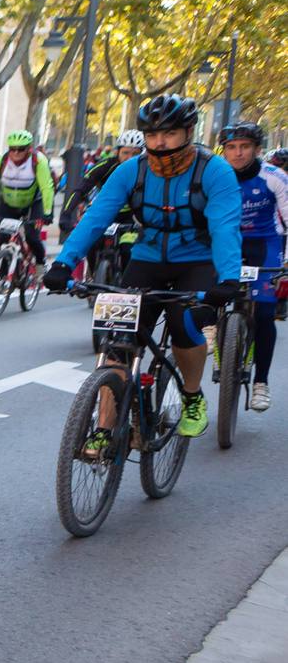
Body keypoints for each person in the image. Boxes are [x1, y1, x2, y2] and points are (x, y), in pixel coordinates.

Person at [45, 95, 244, 443]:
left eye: (168, 134)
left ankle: (192, 396)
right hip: (147, 258)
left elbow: (225, 227)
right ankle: (104, 431)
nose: (159, 143)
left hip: (196, 260)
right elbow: (95, 218)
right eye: (151, 136)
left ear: (188, 132)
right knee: (117, 343)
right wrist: (64, 263)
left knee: (185, 325)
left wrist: (228, 278)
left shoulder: (215, 171)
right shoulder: (130, 170)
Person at [217, 122, 288, 411]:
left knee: (265, 312)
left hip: (266, 244)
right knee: (207, 296)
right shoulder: (216, 176)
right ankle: (214, 332)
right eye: (231, 148)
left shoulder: (275, 177)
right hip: (228, 243)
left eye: (244, 147)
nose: (238, 153)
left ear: (257, 150)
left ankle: (261, 382)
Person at [0, 130, 54, 268]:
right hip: (8, 204)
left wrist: (48, 212)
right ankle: (1, 278)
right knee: (2, 239)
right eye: (12, 149)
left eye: (21, 149)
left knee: (32, 238)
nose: (16, 153)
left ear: (29, 149)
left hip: (33, 204)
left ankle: (40, 265)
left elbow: (47, 188)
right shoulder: (1, 160)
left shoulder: (38, 161)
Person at [59, 130, 143, 233]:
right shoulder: (106, 165)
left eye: (135, 154)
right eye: (125, 153)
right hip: (102, 212)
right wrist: (66, 214)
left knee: (128, 245)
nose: (130, 158)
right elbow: (80, 189)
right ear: (118, 152)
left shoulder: (148, 169)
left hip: (131, 217)